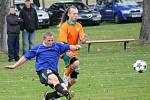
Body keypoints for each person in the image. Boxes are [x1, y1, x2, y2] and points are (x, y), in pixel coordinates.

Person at [5, 32, 82, 100]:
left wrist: (76, 47)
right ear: (44, 40)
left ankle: (48, 96)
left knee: (63, 89)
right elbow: (25, 57)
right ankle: (67, 95)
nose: (51, 42)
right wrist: (14, 66)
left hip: (54, 72)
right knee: (55, 80)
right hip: (43, 71)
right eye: (49, 40)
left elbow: (69, 46)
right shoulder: (38, 48)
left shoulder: (57, 46)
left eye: (52, 40)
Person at [58, 6, 86, 89]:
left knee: (73, 80)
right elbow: (63, 43)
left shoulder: (79, 26)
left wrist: (83, 39)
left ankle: (61, 92)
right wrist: (72, 48)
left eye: (77, 13)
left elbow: (82, 39)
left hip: (74, 51)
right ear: (68, 14)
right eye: (74, 13)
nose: (76, 15)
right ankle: (65, 75)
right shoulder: (64, 26)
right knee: (76, 63)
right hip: (64, 50)